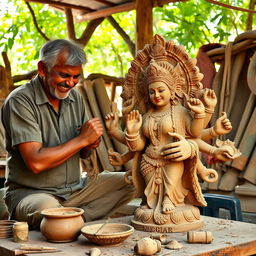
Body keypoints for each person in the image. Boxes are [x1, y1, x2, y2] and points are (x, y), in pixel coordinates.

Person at [1, 39, 135, 230]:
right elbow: (36, 163)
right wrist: (81, 140)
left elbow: (82, 153)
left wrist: (89, 146)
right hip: (32, 194)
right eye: (64, 75)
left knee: (132, 181)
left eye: (76, 77)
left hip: (75, 189)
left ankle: (70, 220)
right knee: (46, 208)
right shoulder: (20, 101)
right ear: (42, 69)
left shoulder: (75, 98)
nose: (70, 83)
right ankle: (68, 220)